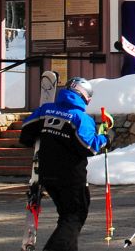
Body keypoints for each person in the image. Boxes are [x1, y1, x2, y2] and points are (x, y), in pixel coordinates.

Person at [19, 77, 112, 251]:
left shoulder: (45, 110)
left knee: (66, 216)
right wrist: (105, 139)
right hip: (71, 176)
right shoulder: (80, 118)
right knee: (76, 215)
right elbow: (89, 147)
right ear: (85, 98)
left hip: (46, 173)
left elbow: (25, 135)